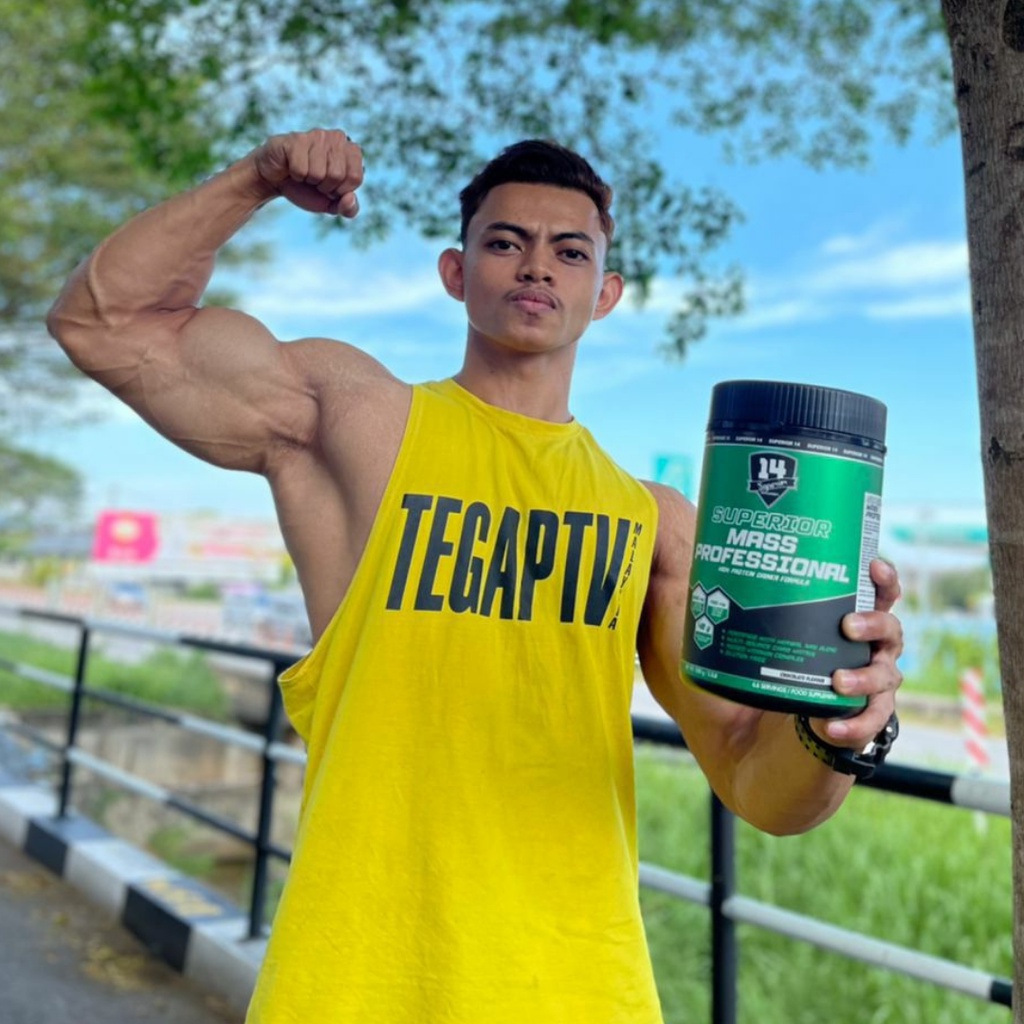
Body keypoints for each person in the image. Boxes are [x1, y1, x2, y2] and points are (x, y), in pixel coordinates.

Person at [47, 129, 903, 1023]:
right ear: (455, 273)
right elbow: (104, 324)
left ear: (605, 294)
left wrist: (837, 724)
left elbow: (759, 784)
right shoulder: (359, 423)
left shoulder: (657, 525)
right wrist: (254, 179)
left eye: (570, 251)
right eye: (505, 242)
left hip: (579, 990)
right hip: (354, 985)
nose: (537, 266)